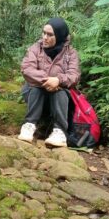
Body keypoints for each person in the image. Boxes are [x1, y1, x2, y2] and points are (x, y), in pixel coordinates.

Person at [18, 17, 81, 147]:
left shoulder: (71, 54)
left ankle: (60, 132)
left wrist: (58, 80)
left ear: (59, 35)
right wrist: (48, 80)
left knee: (61, 92)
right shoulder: (36, 48)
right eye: (44, 33)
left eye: (50, 35)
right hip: (34, 92)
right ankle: (29, 125)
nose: (45, 37)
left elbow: (74, 75)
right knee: (37, 88)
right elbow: (26, 69)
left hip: (58, 96)